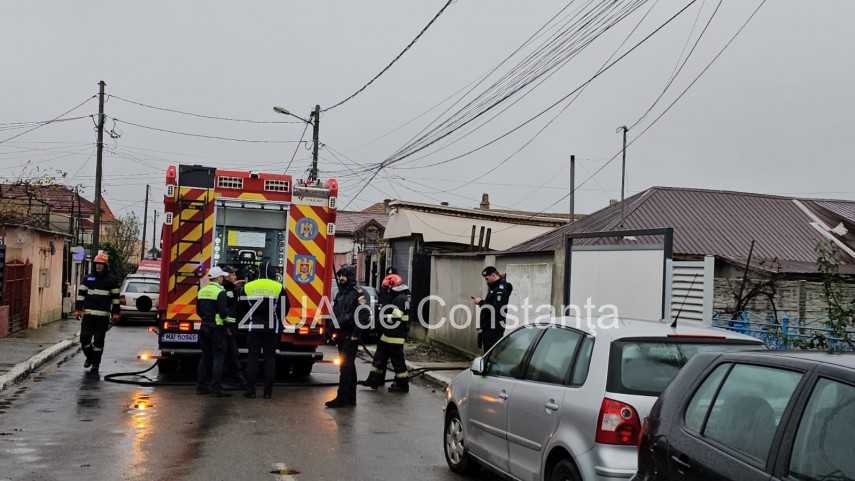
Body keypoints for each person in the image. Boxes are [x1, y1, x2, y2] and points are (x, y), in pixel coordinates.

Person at [238, 262, 288, 399]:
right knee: (269, 359)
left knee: (252, 359)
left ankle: (251, 391)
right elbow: (285, 306)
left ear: (258, 272)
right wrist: (279, 318)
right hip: (271, 327)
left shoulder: (249, 286)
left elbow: (241, 307)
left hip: (253, 326)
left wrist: (244, 322)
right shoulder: (278, 287)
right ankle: (267, 392)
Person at [325, 265, 370, 408]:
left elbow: (364, 314)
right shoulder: (341, 292)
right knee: (349, 366)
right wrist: (330, 329)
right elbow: (336, 312)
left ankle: (342, 398)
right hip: (342, 334)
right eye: (340, 276)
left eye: (343, 276)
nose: (341, 278)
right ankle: (350, 398)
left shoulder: (358, 293)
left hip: (351, 334)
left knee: (345, 366)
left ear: (349, 276)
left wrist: (356, 334)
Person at [359, 273, 411, 393]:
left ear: (392, 286)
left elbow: (395, 318)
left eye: (387, 288)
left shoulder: (400, 299)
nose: (386, 290)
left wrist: (381, 319)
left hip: (395, 336)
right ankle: (374, 380)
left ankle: (402, 384)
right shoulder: (401, 297)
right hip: (388, 335)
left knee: (397, 362)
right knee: (379, 358)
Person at [74, 251, 121, 374]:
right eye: (97, 264)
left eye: (101, 264)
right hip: (88, 317)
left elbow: (116, 299)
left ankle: (95, 364)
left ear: (105, 265)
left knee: (99, 342)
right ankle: (89, 357)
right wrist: (78, 309)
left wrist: (116, 312)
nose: (98, 266)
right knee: (84, 339)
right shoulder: (88, 278)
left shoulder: (111, 280)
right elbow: (81, 295)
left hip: (102, 318)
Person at [196, 266, 231, 397]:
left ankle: (200, 387)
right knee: (218, 358)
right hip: (216, 328)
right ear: (218, 278)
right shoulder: (220, 292)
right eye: (222, 277)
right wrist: (227, 322)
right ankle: (216, 389)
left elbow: (198, 311)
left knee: (205, 356)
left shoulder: (202, 291)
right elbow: (223, 313)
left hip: (204, 326)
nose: (223, 279)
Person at [471, 266, 513, 353]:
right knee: (488, 352)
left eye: (487, 279)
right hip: (489, 328)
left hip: (494, 329)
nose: (486, 281)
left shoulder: (500, 290)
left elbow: (497, 309)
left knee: (491, 354)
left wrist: (481, 302)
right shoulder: (494, 288)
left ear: (493, 275)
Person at [221, 266, 246, 389]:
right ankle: (235, 379)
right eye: (233, 275)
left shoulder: (229, 288)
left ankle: (233, 379)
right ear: (226, 276)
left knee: (230, 353)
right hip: (228, 327)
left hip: (229, 327)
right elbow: (230, 309)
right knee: (231, 353)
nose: (235, 277)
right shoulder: (228, 290)